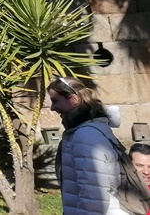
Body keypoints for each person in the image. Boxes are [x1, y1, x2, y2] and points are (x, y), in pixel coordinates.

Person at [48, 76, 128, 215]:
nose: (52, 108)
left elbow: (94, 195)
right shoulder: (84, 131)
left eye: (55, 101)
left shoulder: (85, 135)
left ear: (74, 100)